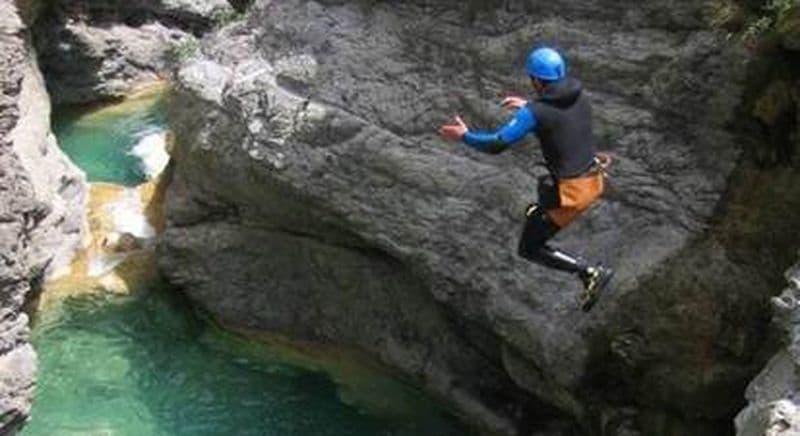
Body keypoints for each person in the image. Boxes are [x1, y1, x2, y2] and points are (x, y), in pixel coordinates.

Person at [438, 46, 613, 312]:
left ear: (536, 80)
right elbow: (558, 117)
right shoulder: (579, 96)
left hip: (572, 193)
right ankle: (539, 212)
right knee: (536, 208)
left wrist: (464, 135)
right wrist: (530, 107)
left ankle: (589, 273)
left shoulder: (537, 113)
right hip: (593, 179)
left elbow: (497, 143)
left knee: (530, 248)